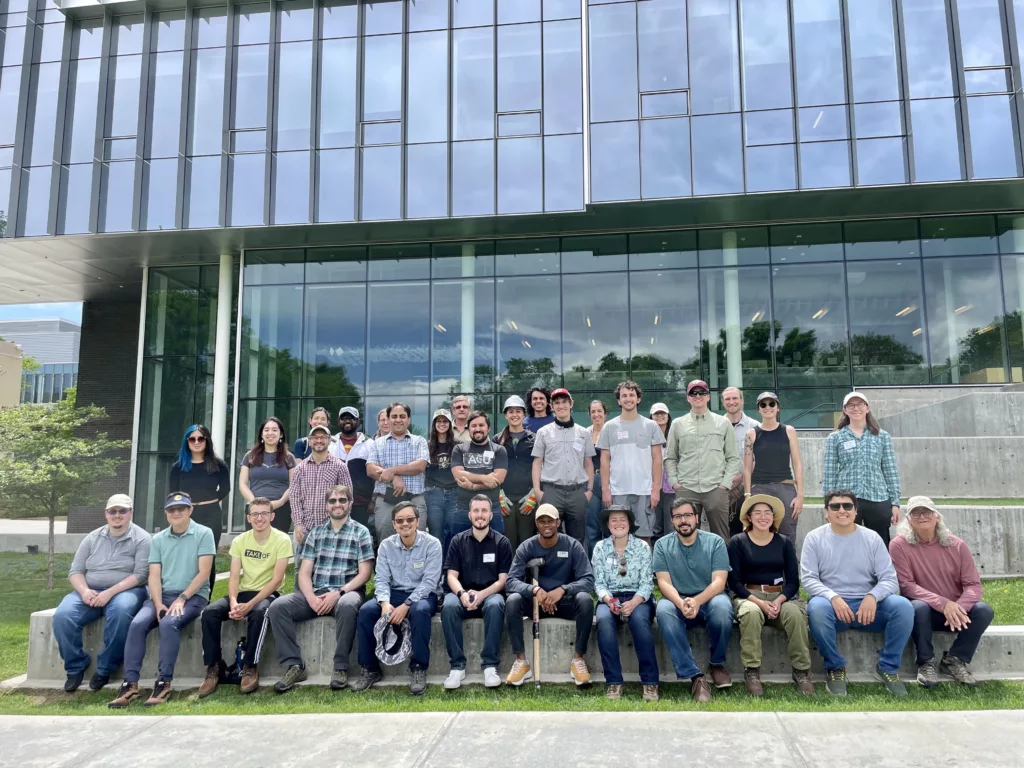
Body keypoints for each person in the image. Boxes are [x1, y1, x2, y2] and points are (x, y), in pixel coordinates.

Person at [802, 489, 914, 697]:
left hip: (869, 609)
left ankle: (888, 668)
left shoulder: (871, 538)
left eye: (847, 506)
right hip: (833, 609)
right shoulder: (814, 538)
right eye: (835, 506)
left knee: (903, 606)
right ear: (826, 512)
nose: (841, 510)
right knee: (816, 608)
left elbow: (889, 578)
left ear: (855, 511)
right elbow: (808, 578)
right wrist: (832, 597)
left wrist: (872, 596)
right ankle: (835, 667)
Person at [109, 492, 215, 708]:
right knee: (137, 624)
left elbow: (204, 573)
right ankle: (130, 684)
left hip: (193, 596)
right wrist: (157, 603)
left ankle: (163, 683)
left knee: (169, 623)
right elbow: (154, 575)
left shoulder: (204, 533)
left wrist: (182, 599)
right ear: (166, 513)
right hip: (162, 596)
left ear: (190, 510)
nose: (176, 513)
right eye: (171, 510)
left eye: (181, 509)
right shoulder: (158, 539)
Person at [268, 484, 374, 693]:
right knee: (278, 607)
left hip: (347, 592)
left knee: (347, 605)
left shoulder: (361, 532)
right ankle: (294, 665)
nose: (337, 505)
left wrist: (339, 593)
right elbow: (305, 573)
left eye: (342, 500)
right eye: (332, 501)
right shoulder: (315, 534)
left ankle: (340, 667)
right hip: (315, 592)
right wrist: (311, 598)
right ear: (326, 505)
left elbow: (365, 574)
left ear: (350, 504)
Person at [889, 495, 994, 688]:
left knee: (984, 610)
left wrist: (958, 608)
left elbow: (973, 584)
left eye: (927, 512)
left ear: (937, 517)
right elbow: (907, 585)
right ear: (909, 519)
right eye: (916, 513)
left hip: (956, 615)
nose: (922, 517)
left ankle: (954, 659)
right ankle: (925, 663)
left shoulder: (958, 545)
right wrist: (943, 604)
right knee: (918, 607)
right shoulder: (899, 545)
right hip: (925, 614)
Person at [53, 494, 150, 693]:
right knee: (63, 616)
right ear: (106, 514)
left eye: (122, 511)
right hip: (90, 590)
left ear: (130, 513)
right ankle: (75, 667)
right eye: (112, 511)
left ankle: (105, 668)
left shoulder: (142, 539)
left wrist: (109, 593)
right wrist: (84, 590)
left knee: (122, 613)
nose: (117, 515)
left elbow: (140, 575)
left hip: (127, 590)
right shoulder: (92, 537)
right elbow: (75, 571)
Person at [198, 497, 292, 697]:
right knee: (210, 612)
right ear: (249, 518)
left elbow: (276, 580)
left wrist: (249, 605)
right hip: (243, 592)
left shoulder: (282, 539)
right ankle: (214, 667)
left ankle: (250, 666)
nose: (260, 518)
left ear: (272, 516)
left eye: (264, 513)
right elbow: (233, 577)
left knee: (259, 613)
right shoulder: (240, 540)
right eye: (255, 514)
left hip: (269, 594)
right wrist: (233, 602)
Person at [351, 501, 442, 695]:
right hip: (394, 593)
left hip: (423, 594)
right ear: (394, 524)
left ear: (418, 521)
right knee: (367, 612)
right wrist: (384, 603)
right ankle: (369, 668)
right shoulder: (386, 546)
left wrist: (406, 605)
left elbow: (429, 583)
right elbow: (382, 579)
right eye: (400, 520)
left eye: (410, 519)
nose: (405, 524)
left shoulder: (432, 544)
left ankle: (418, 667)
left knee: (420, 611)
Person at [728, 495, 813, 696]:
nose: (763, 517)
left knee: (795, 614)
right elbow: (734, 582)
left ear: (773, 517)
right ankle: (752, 672)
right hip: (749, 595)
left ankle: (802, 671)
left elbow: (793, 582)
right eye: (757, 513)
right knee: (750, 613)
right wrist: (759, 602)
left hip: (779, 596)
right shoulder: (737, 542)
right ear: (749, 517)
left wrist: (779, 600)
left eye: (767, 513)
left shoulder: (784, 542)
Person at [653, 498, 734, 702]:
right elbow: (663, 582)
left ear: (697, 518)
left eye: (688, 515)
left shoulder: (715, 542)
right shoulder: (662, 545)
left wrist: (697, 601)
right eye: (678, 516)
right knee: (663, 610)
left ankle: (716, 663)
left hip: (709, 598)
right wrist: (682, 603)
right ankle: (695, 676)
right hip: (677, 601)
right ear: (672, 521)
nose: (684, 520)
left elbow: (719, 581)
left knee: (723, 607)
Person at [505, 504, 594, 686]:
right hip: (536, 604)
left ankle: (578, 659)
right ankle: (521, 661)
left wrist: (563, 589)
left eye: (550, 521)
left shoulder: (572, 545)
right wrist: (534, 590)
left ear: (558, 522)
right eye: (541, 521)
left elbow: (588, 580)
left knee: (585, 599)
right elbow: (511, 581)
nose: (546, 525)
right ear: (536, 524)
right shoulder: (526, 547)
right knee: (513, 600)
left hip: (565, 602)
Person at [441, 494, 513, 690]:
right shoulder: (457, 541)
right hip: (462, 596)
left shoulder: (502, 543)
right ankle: (457, 667)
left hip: (490, 596)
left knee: (497, 603)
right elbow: (451, 576)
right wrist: (462, 594)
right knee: (448, 605)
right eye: (476, 511)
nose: (480, 515)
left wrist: (482, 595)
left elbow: (503, 581)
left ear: (491, 515)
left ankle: (490, 665)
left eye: (484, 511)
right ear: (470, 515)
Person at [592, 505, 659, 702]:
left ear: (629, 524)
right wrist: (609, 600)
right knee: (603, 619)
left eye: (623, 519)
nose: (618, 523)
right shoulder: (600, 548)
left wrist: (634, 602)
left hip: (638, 597)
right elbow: (599, 583)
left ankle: (650, 682)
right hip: (610, 597)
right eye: (614, 520)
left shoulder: (643, 547)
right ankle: (613, 681)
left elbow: (648, 583)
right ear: (608, 524)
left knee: (639, 621)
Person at [822, 391, 901, 547]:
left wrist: (895, 503)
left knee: (880, 544)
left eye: (860, 404)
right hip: (846, 501)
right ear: (845, 410)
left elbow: (890, 471)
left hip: (877, 498)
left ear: (867, 408)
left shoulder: (882, 436)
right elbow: (829, 473)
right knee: (845, 544)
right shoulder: (836, 437)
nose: (855, 408)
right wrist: (828, 505)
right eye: (851, 405)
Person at [664, 380, 740, 541]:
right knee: (685, 535)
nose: (698, 396)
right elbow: (670, 457)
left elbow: (733, 458)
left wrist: (724, 484)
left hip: (715, 488)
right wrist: (675, 482)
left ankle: (721, 566)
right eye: (693, 393)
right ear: (688, 398)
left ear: (708, 396)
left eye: (701, 393)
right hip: (687, 487)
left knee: (721, 536)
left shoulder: (723, 423)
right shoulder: (678, 424)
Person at [597, 381, 665, 546]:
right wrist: (605, 490)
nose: (628, 399)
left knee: (644, 537)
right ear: (619, 401)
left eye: (632, 395)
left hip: (644, 491)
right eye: (624, 396)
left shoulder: (651, 426)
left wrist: (656, 489)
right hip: (618, 491)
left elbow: (657, 459)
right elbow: (604, 460)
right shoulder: (609, 427)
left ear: (638, 399)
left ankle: (645, 572)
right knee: (618, 536)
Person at [167, 424, 229, 596]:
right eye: (192, 438)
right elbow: (172, 494)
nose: (196, 442)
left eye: (200, 438)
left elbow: (225, 488)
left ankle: (204, 598)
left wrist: (209, 500)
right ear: (187, 441)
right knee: (183, 555)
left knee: (208, 557)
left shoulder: (218, 465)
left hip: (211, 515)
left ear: (207, 440)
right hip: (185, 516)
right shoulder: (178, 467)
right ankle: (181, 594)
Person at [531, 388, 595, 545]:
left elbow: (588, 462)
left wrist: (589, 490)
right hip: (552, 492)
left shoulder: (583, 432)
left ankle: (577, 569)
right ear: (552, 407)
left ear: (571, 404)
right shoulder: (543, 432)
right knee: (550, 536)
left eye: (564, 402)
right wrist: (538, 491)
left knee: (578, 538)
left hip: (577, 492)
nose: (561, 406)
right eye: (557, 403)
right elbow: (537, 462)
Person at [366, 401, 430, 546]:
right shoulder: (378, 443)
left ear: (408, 419)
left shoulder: (419, 441)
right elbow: (370, 469)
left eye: (402, 416)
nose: (398, 419)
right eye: (394, 416)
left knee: (418, 542)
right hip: (385, 501)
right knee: (386, 543)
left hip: (415, 500)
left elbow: (420, 466)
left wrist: (392, 470)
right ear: (388, 419)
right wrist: (394, 478)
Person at [743, 392, 804, 541]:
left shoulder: (789, 431)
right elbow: (746, 468)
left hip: (785, 488)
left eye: (772, 404)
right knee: (759, 533)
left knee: (788, 534)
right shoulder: (751, 434)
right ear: (758, 409)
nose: (767, 407)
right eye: (763, 404)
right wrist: (747, 494)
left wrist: (800, 495)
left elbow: (797, 463)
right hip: (760, 488)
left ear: (778, 408)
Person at [450, 411, 508, 552]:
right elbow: (458, 474)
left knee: (495, 550)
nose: (477, 429)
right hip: (463, 509)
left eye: (481, 425)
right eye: (473, 425)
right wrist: (484, 478)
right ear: (468, 429)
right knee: (460, 550)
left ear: (488, 428)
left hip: (492, 508)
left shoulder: (499, 450)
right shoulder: (459, 449)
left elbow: (498, 479)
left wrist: (473, 486)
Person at [289, 424, 353, 547]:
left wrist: (339, 524)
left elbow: (348, 497)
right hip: (305, 530)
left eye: (323, 437)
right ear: (309, 440)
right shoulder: (300, 469)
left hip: (331, 528)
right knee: (302, 566)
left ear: (329, 440)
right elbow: (294, 498)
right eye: (315, 437)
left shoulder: (339, 467)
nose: (319, 440)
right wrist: (298, 524)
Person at [238, 417, 297, 534]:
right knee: (254, 547)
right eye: (266, 430)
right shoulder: (249, 456)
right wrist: (254, 502)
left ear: (281, 435)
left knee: (278, 548)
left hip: (280, 509)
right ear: (261, 434)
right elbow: (242, 484)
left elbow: (294, 485)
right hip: (254, 509)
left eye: (275, 430)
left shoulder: (289, 457)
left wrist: (279, 502)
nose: (270, 433)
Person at [495, 395, 537, 553]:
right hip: (505, 499)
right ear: (505, 415)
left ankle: (527, 578)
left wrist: (534, 493)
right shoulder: (497, 440)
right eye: (510, 411)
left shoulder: (535, 439)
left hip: (528, 498)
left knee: (527, 543)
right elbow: (492, 470)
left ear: (524, 414)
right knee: (508, 543)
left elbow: (541, 467)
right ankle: (510, 578)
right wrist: (498, 494)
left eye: (518, 411)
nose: (514, 415)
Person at [328, 407, 375, 530]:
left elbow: (375, 476)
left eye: (351, 418)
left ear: (358, 421)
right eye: (344, 418)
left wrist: (373, 499)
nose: (347, 421)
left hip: (362, 503)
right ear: (338, 421)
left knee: (361, 538)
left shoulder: (369, 444)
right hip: (336, 503)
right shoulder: (330, 443)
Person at [722, 387, 758, 536]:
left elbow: (759, 458)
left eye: (735, 398)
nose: (731, 402)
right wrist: (727, 481)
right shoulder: (716, 426)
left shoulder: (755, 426)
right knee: (725, 532)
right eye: (727, 399)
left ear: (742, 400)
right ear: (723, 403)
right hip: (723, 488)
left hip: (748, 487)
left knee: (750, 531)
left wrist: (742, 478)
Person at [424, 408, 458, 543]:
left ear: (450, 424)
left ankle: (452, 564)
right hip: (433, 492)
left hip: (454, 493)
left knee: (454, 533)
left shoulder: (458, 446)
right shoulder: (426, 446)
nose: (442, 424)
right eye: (438, 421)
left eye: (445, 421)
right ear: (434, 424)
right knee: (435, 535)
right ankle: (437, 564)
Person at [585, 399, 609, 557]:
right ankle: (593, 567)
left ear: (605, 413)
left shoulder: (612, 430)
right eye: (593, 412)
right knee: (591, 528)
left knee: (609, 526)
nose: (596, 414)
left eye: (599, 411)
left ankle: (610, 566)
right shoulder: (584, 434)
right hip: (591, 483)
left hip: (610, 483)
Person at [649, 403, 675, 540]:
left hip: (671, 488)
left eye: (662, 413)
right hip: (652, 487)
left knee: (671, 526)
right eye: (656, 414)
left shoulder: (674, 436)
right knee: (654, 526)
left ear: (668, 416)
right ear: (651, 417)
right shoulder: (646, 437)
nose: (659, 416)